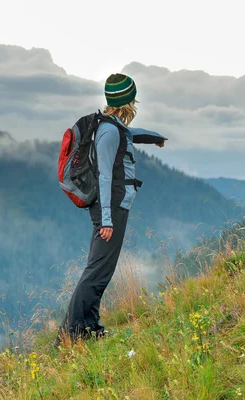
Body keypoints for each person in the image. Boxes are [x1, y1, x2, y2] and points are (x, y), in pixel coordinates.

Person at [55, 73, 167, 345]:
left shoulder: (112, 126)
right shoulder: (108, 131)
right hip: (110, 207)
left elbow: (129, 135)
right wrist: (107, 220)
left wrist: (154, 138)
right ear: (128, 101)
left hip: (114, 206)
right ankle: (72, 335)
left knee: (100, 271)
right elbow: (105, 175)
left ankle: (89, 328)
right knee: (97, 271)